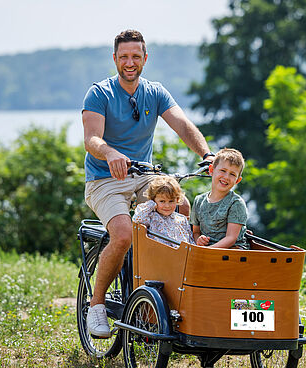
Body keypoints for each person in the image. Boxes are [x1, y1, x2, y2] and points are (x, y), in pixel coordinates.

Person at [82, 29, 215, 338]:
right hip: (105, 179)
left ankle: (166, 298)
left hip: (143, 176)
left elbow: (182, 124)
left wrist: (207, 154)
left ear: (145, 59)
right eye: (124, 56)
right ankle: (97, 305)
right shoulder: (99, 93)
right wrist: (110, 152)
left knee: (180, 208)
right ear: (115, 59)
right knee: (124, 234)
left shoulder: (155, 92)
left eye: (136, 56)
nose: (130, 62)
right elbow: (92, 139)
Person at [190, 148, 248, 249]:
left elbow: (231, 238)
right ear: (211, 170)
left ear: (237, 180)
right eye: (223, 170)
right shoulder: (199, 200)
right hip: (206, 251)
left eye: (232, 174)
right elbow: (196, 232)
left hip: (232, 251)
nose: (226, 177)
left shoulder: (236, 203)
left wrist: (207, 250)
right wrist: (199, 240)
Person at [132, 175, 195, 247]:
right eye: (162, 201)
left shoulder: (182, 219)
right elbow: (137, 219)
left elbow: (190, 240)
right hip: (160, 254)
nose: (167, 206)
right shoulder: (151, 216)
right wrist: (151, 203)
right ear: (154, 200)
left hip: (181, 255)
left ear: (177, 200)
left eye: (171, 201)